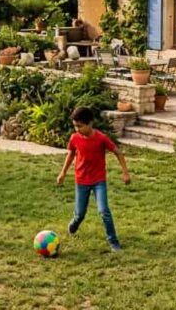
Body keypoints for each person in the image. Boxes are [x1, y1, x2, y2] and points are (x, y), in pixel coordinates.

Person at [56, 106, 131, 252]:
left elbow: (118, 152)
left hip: (98, 181)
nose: (77, 129)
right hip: (81, 181)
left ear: (90, 123)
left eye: (80, 126)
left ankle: (113, 241)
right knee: (80, 214)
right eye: (75, 126)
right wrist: (63, 173)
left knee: (104, 211)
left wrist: (125, 172)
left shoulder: (101, 138)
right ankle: (74, 223)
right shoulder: (75, 138)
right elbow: (71, 155)